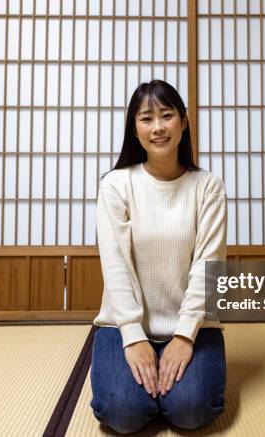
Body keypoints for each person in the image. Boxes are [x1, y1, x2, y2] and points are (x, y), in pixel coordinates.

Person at [90, 80, 227, 434]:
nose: (159, 127)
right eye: (147, 118)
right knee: (121, 414)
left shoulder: (207, 186)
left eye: (167, 116)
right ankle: (150, 391)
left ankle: (166, 391)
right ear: (134, 129)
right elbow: (115, 267)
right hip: (125, 325)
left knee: (191, 411)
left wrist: (183, 336)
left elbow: (209, 266)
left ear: (183, 122)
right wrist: (134, 336)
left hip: (193, 325)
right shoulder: (116, 185)